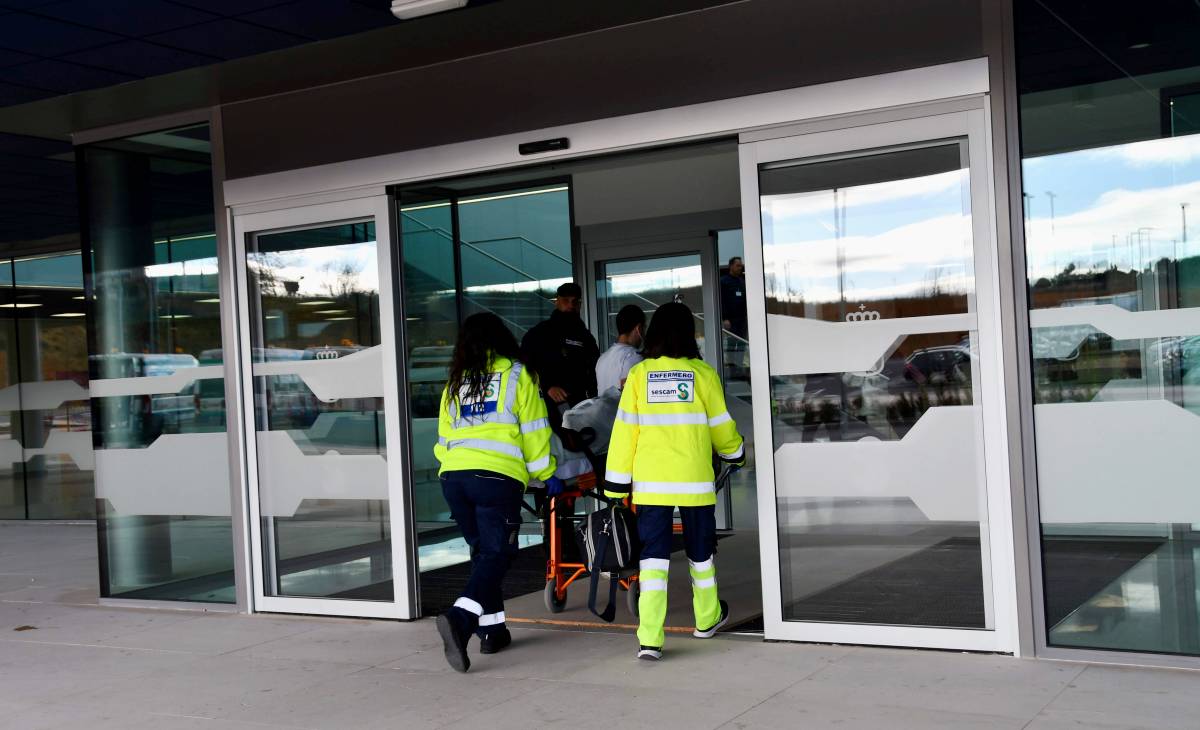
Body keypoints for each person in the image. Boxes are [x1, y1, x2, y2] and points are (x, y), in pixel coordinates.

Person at [603, 302, 745, 661]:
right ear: (687, 334)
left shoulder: (639, 376)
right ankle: (707, 618)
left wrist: (616, 485)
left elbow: (624, 434)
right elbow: (720, 427)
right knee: (701, 553)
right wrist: (735, 452)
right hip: (694, 482)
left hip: (652, 485)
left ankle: (650, 638)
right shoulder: (703, 374)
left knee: (652, 560)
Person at [433, 311, 562, 673]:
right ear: (502, 338)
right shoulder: (518, 374)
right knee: (497, 554)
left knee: (482, 553)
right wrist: (546, 473)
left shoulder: (455, 382)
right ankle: (461, 619)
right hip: (495, 480)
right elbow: (536, 431)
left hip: (453, 480)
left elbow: (443, 441)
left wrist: (457, 463)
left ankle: (492, 631)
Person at [521, 282, 600, 411]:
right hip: (548, 405)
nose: (571, 305)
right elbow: (524, 366)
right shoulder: (539, 333)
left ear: (580, 304)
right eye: (566, 300)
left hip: (582, 404)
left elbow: (593, 367)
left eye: (575, 301)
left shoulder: (585, 336)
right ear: (556, 301)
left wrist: (593, 397)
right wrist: (547, 386)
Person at [595, 304, 645, 393]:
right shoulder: (634, 357)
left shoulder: (602, 358)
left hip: (603, 407)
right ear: (638, 328)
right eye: (644, 328)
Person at [720, 256, 748, 339]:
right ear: (731, 266)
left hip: (742, 320)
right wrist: (725, 319)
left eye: (741, 266)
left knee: (742, 343)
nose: (740, 268)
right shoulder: (723, 281)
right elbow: (722, 301)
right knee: (731, 343)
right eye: (738, 266)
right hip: (730, 320)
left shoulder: (742, 282)